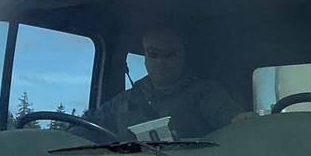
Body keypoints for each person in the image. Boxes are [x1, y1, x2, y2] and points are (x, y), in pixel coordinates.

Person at [87, 28, 245, 139]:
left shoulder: (206, 94)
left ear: (184, 57)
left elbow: (235, 120)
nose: (161, 62)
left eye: (171, 54)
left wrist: (243, 120)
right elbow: (86, 127)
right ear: (145, 58)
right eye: (153, 54)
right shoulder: (122, 102)